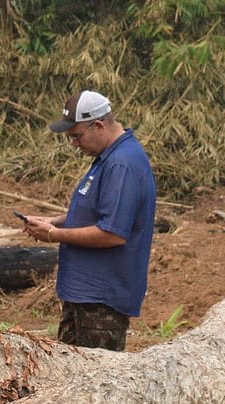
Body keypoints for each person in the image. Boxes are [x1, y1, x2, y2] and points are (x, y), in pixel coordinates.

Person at [23, 90, 156, 351]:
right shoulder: (107, 157)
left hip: (101, 302)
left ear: (98, 125)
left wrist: (53, 234)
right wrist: (55, 221)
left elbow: (113, 233)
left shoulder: (121, 164)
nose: (74, 144)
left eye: (76, 136)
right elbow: (97, 212)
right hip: (86, 295)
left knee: (97, 384)